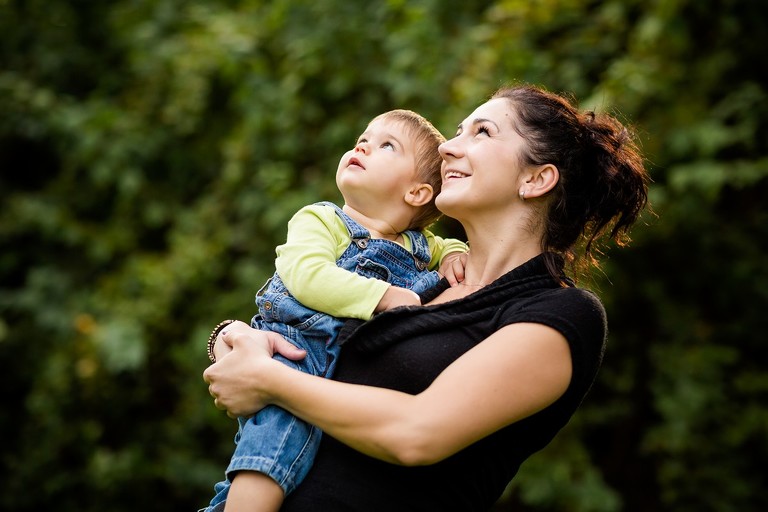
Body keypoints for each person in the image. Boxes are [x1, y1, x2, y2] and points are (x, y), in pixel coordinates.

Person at [204, 84, 651, 511]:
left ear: (536, 179)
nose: (447, 148)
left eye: (481, 132)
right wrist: (234, 338)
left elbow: (416, 434)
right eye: (457, 131)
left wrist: (268, 381)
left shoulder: (560, 314)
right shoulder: (418, 275)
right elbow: (309, 328)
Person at [203, 109, 469, 512]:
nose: (362, 145)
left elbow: (450, 248)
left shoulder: (421, 245)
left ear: (416, 193)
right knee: (272, 452)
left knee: (304, 467)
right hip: (293, 349)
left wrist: (456, 253)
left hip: (340, 374)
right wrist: (381, 296)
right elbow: (305, 275)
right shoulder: (323, 219)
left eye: (386, 145)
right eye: (363, 137)